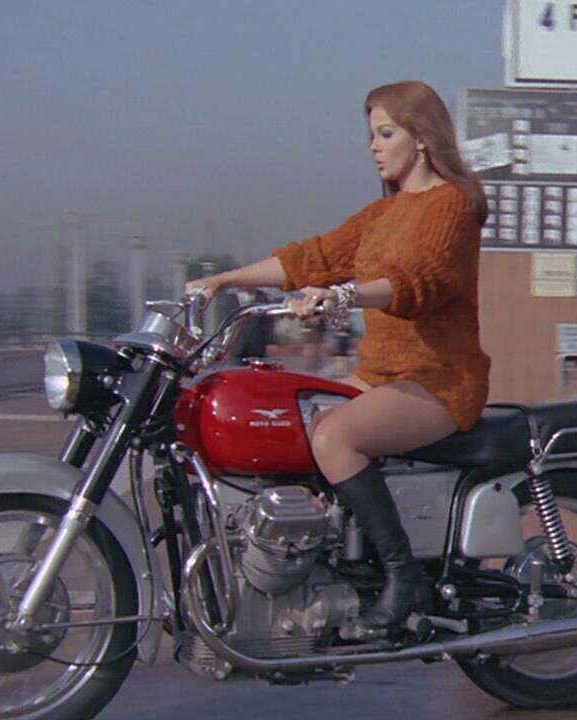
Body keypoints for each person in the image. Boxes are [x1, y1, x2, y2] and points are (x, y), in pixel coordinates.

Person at [187, 80, 490, 635]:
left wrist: (343, 295)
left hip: (439, 379)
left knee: (334, 437)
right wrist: (224, 280)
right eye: (371, 134)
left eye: (386, 133)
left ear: (422, 138)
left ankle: (404, 576)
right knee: (292, 423)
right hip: (381, 375)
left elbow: (416, 282)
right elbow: (313, 258)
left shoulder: (450, 206)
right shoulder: (383, 214)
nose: (373, 145)